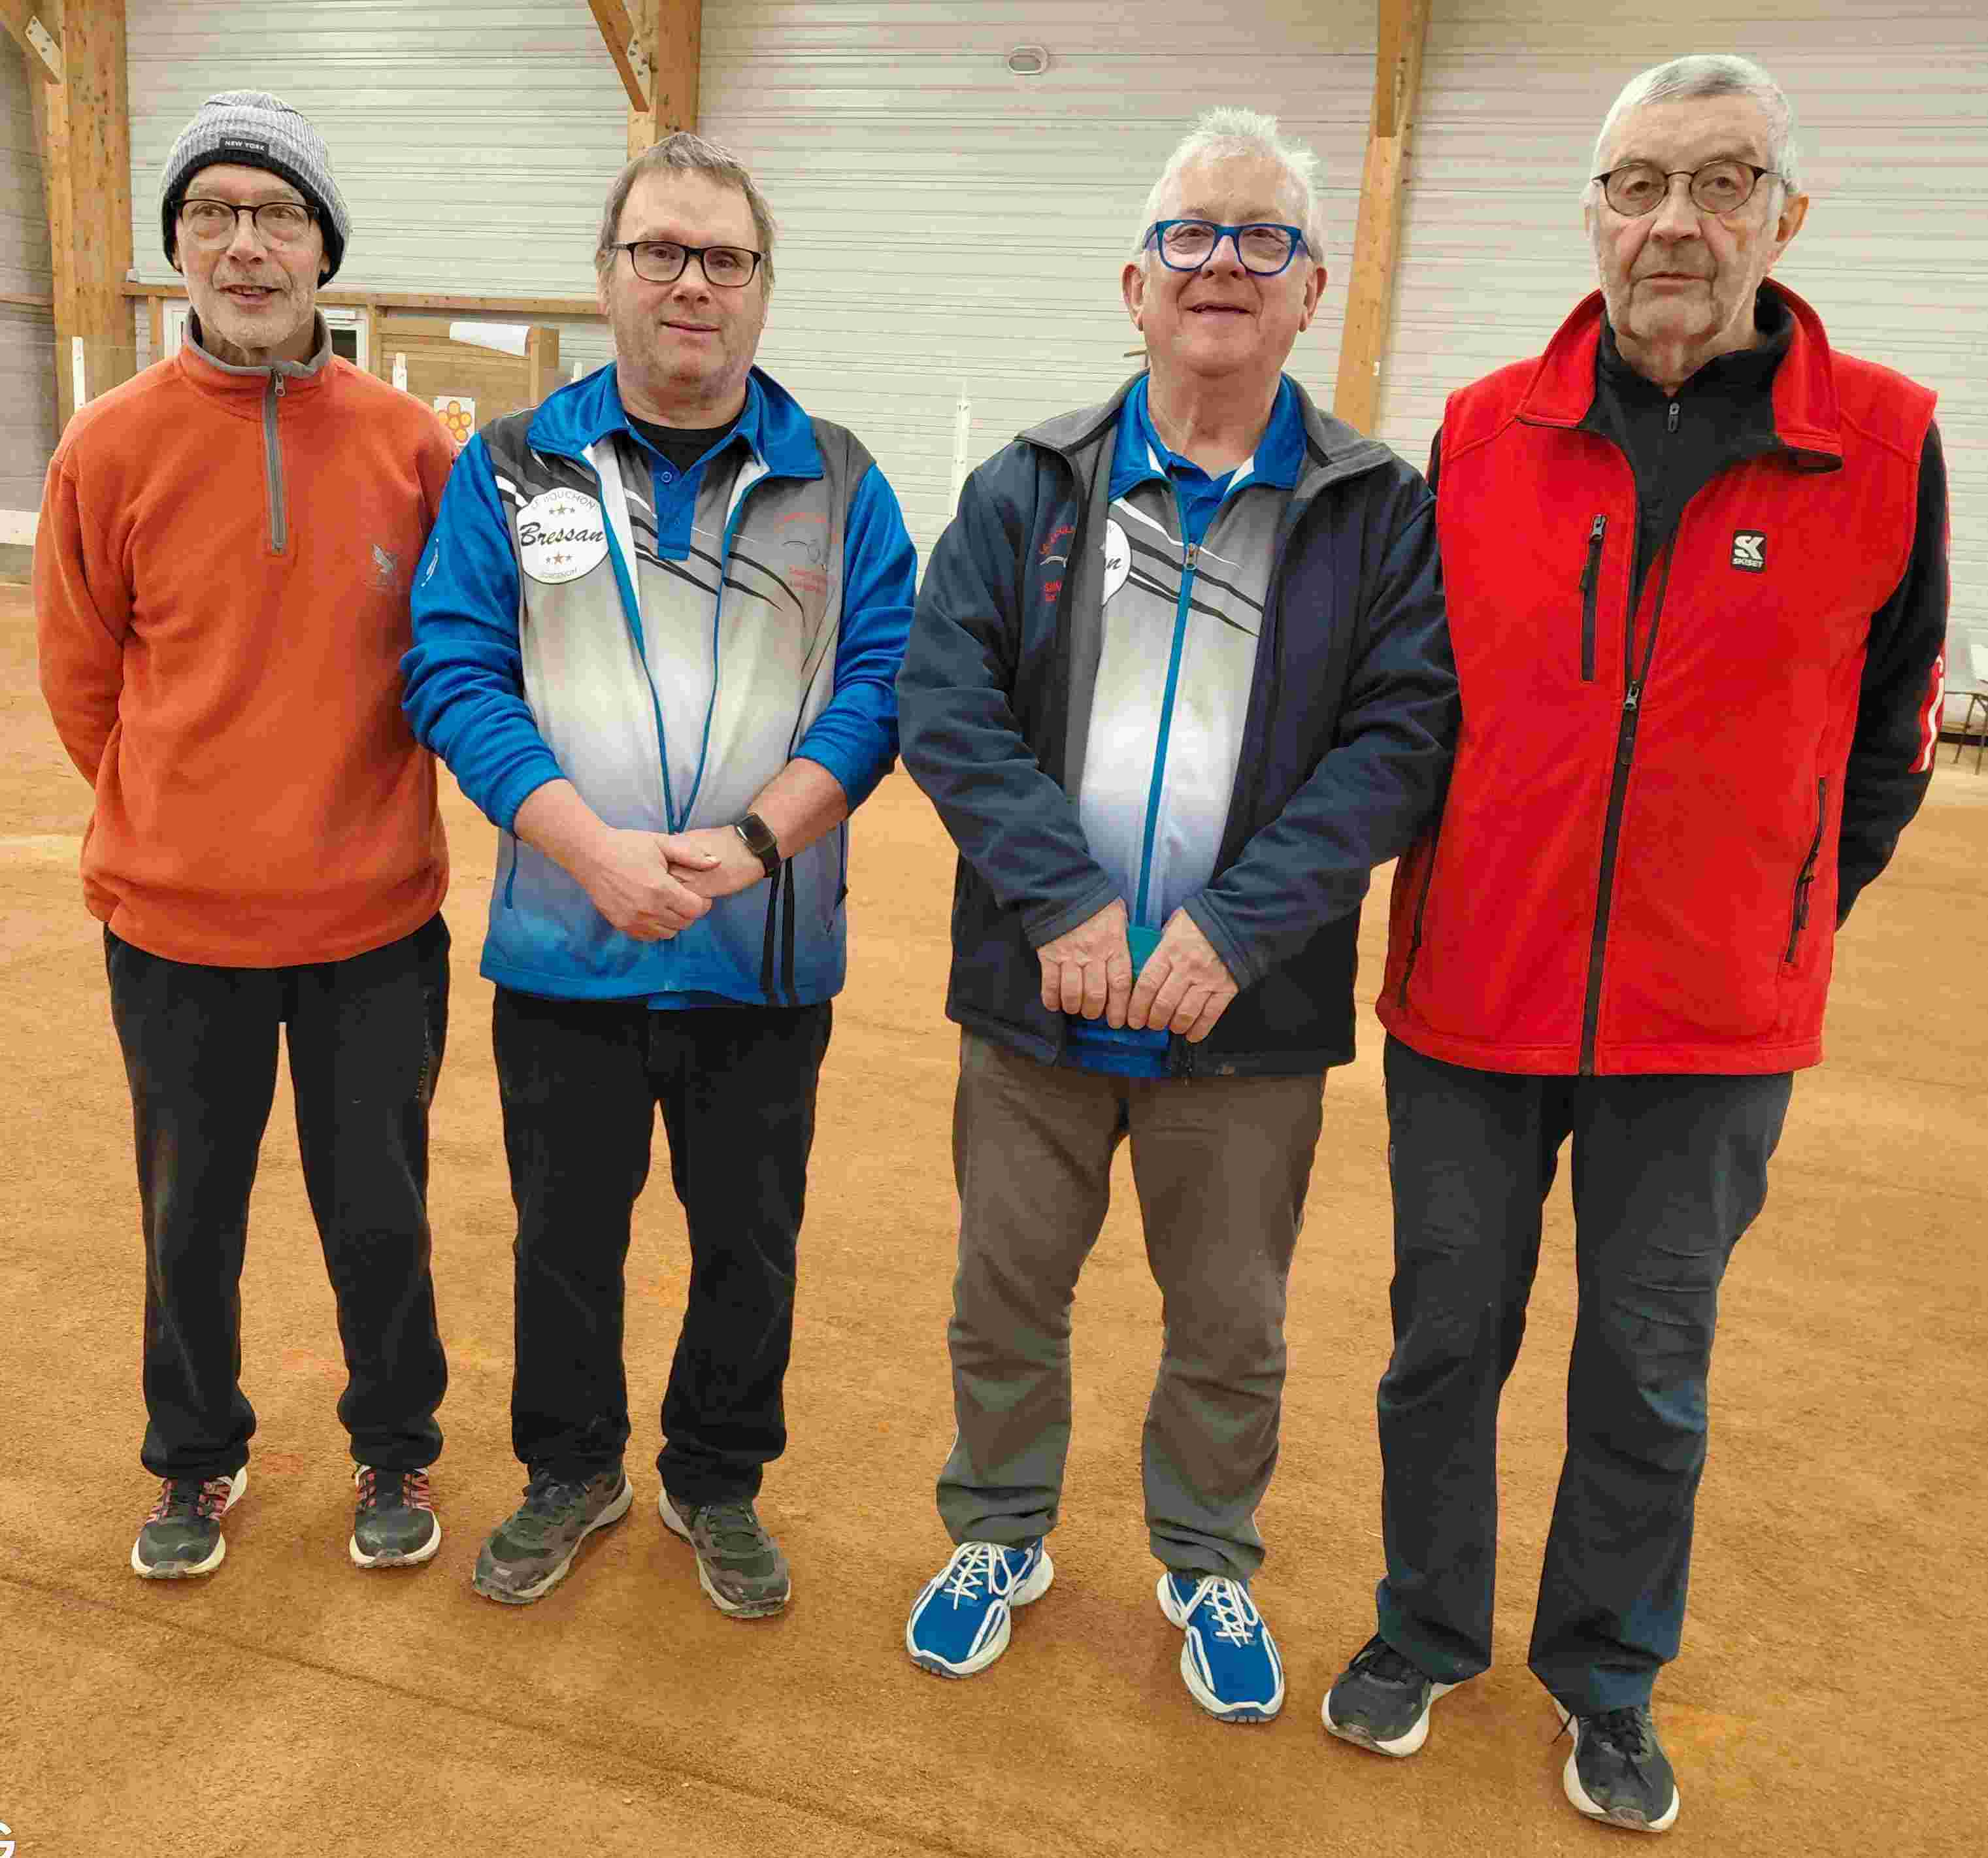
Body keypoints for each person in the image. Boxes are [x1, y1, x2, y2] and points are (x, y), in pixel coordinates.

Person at [1320, 55, 1949, 1833]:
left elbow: (1895, 726)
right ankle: (1424, 1627)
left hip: (1712, 1025)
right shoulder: (1476, 435)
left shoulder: (1884, 441)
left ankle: (1605, 1674)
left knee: (1647, 1370)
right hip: (1474, 995)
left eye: (1721, 182)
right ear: (1593, 214)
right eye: (1639, 184)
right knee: (1443, 1340)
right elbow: (1408, 705)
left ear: (1784, 217)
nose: (1676, 222)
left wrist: (1780, 910)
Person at [894, 107, 1455, 1721]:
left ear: (1312, 291)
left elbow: (1401, 737)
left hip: (1247, 1013)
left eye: (1264, 238)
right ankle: (999, 1533)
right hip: (1040, 996)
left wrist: (1235, 931)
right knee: (1006, 1294)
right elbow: (947, 700)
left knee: (1230, 1322)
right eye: (1191, 235)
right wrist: (1061, 900)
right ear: (1135, 285)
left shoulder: (1377, 509)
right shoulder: (1029, 486)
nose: (1225, 264)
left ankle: (1207, 1556)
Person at [403, 131, 917, 1617]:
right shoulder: (512, 468)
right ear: (610, 276)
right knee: (565, 1237)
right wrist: (590, 850)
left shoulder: (843, 481)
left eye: (725, 258)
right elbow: (455, 671)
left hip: (766, 952)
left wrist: (756, 845)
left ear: (762, 287)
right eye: (662, 252)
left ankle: (717, 1478)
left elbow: (880, 687)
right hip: (566, 944)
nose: (694, 283)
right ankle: (571, 1468)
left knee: (749, 1242)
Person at [35, 91, 457, 1580]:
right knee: (188, 1217)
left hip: (375, 925)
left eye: (277, 215)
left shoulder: (413, 446)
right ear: (179, 249)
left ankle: (395, 1442)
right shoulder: (108, 444)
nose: (245, 245)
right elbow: (82, 681)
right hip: (175, 930)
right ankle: (193, 1458)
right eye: (211, 215)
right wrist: (183, 816)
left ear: (323, 248)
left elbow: (453, 666)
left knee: (379, 1211)